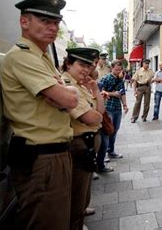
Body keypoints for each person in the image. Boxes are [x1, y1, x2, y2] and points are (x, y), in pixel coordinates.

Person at [0, 0, 79, 229]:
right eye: (45, 21)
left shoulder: (42, 57)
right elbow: (68, 99)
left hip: (52, 154)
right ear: (24, 22)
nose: (52, 27)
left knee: (56, 220)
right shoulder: (22, 56)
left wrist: (63, 94)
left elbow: (66, 97)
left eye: (55, 22)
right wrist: (63, 94)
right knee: (47, 223)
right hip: (41, 157)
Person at [61, 48, 103, 230]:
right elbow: (91, 118)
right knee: (77, 189)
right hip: (78, 142)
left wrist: (94, 89)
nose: (85, 70)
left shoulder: (80, 85)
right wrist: (98, 117)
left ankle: (82, 211)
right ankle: (75, 224)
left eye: (88, 66)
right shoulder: (65, 85)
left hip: (89, 140)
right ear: (68, 64)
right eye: (81, 65)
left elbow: (99, 110)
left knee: (85, 184)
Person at [100, 59, 128, 164]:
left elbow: (123, 93)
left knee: (115, 130)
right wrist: (112, 94)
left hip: (118, 108)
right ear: (112, 68)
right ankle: (103, 154)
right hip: (108, 107)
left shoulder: (120, 79)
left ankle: (111, 151)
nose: (118, 72)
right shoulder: (106, 78)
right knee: (107, 131)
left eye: (120, 70)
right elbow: (100, 91)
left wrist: (125, 105)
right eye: (116, 70)